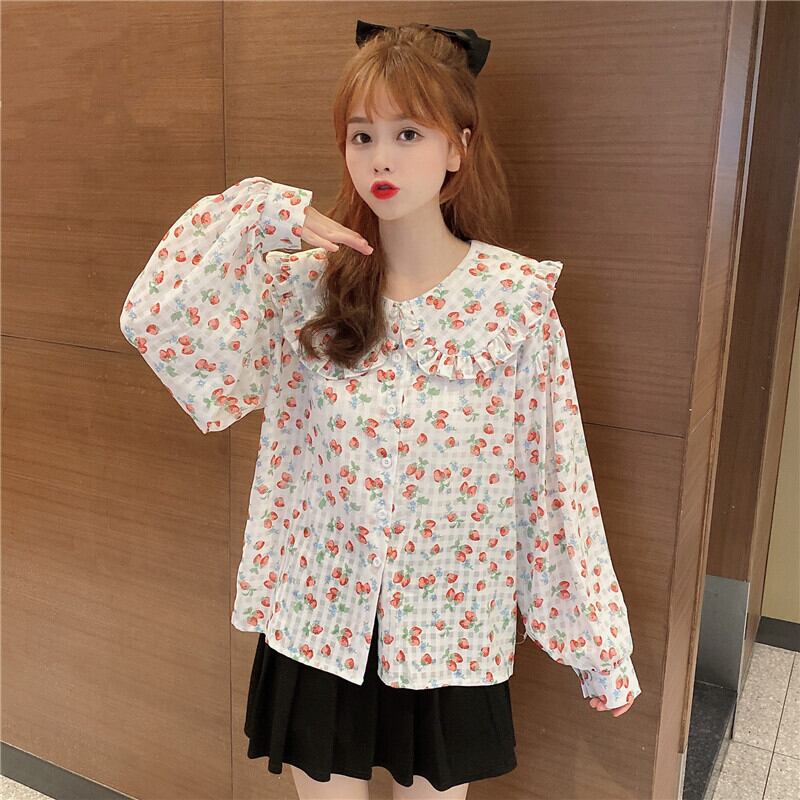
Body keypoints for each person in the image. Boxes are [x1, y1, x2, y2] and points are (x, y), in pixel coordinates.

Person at [119, 19, 641, 800]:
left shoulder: (512, 303)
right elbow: (157, 318)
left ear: (458, 147)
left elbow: (553, 482)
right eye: (362, 136)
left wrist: (596, 643)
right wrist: (258, 215)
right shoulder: (306, 289)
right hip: (318, 620)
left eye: (407, 132)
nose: (381, 159)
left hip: (448, 628)